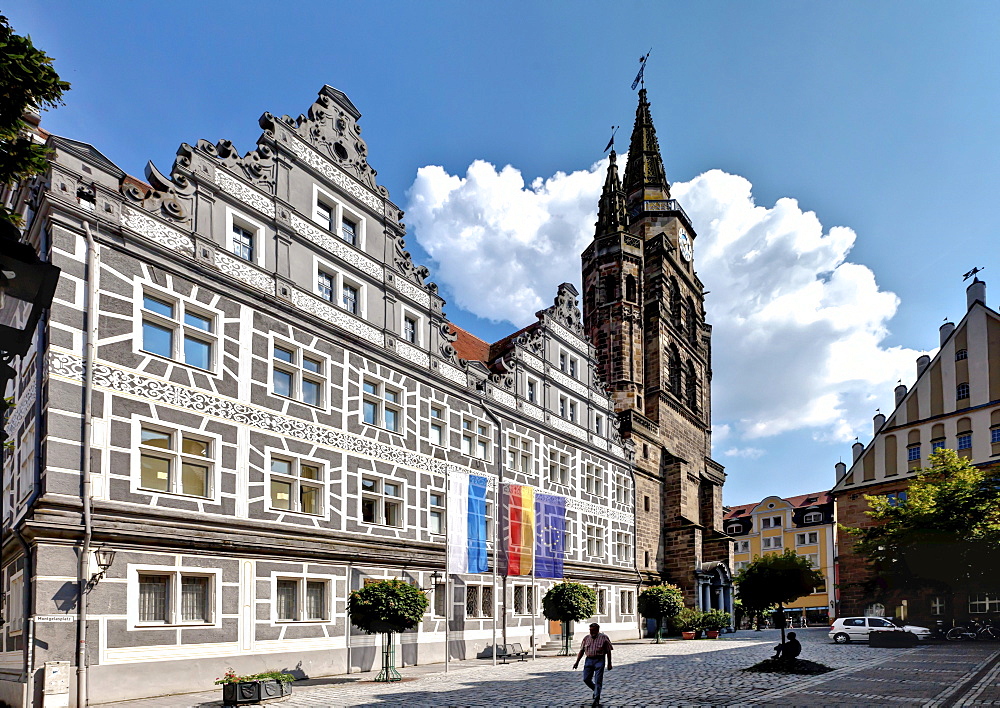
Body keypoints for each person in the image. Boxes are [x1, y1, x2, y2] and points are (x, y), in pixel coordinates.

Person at [572, 623, 614, 706]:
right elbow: (581, 651)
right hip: (589, 660)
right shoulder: (586, 638)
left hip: (600, 660)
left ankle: (596, 698)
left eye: (594, 630)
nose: (592, 632)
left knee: (598, 680)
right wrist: (576, 662)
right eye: (590, 630)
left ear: (598, 630)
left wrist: (609, 663)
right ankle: (596, 690)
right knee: (586, 679)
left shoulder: (604, 638)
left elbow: (608, 651)